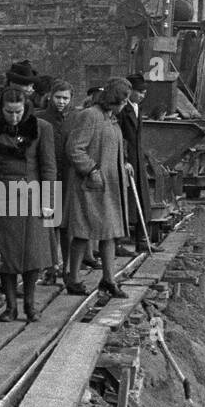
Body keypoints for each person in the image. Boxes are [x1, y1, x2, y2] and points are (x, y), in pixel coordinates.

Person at [0, 87, 56, 322]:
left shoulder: (41, 128)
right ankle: (9, 307)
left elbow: (48, 166)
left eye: (18, 112)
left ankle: (30, 305)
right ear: (1, 109)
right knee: (5, 253)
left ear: (26, 108)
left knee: (32, 253)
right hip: (0, 196)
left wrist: (48, 200)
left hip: (32, 197)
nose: (14, 117)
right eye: (9, 112)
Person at [64, 78, 130, 298]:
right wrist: (92, 170)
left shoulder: (111, 119)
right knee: (83, 233)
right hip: (90, 185)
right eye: (122, 101)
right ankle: (72, 279)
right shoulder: (90, 116)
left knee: (109, 233)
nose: (124, 105)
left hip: (108, 187)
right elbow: (74, 149)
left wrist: (123, 164)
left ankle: (108, 280)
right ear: (112, 99)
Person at [35, 79, 73, 283]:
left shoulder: (74, 119)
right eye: (58, 97)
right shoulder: (40, 118)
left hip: (68, 178)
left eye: (65, 98)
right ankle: (50, 269)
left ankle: (67, 269)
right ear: (50, 96)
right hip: (47, 179)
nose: (61, 102)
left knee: (66, 226)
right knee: (49, 226)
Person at [118, 73, 150, 254]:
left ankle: (142, 241)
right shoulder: (123, 110)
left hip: (137, 159)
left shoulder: (138, 109)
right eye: (139, 92)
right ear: (130, 92)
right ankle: (119, 242)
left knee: (142, 201)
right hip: (126, 160)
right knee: (124, 201)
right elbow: (120, 137)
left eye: (144, 93)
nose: (142, 96)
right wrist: (124, 159)